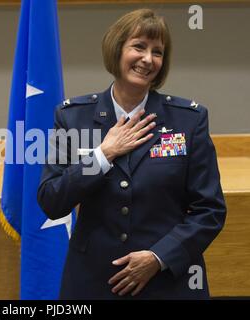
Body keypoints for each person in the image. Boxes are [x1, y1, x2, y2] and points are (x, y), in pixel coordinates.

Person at [37, 8, 226, 299]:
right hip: (94, 282)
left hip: (167, 282)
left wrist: (158, 257)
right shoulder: (74, 118)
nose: (148, 59)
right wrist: (102, 155)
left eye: (158, 52)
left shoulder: (188, 120)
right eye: (138, 47)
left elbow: (209, 210)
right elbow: (52, 200)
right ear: (116, 50)